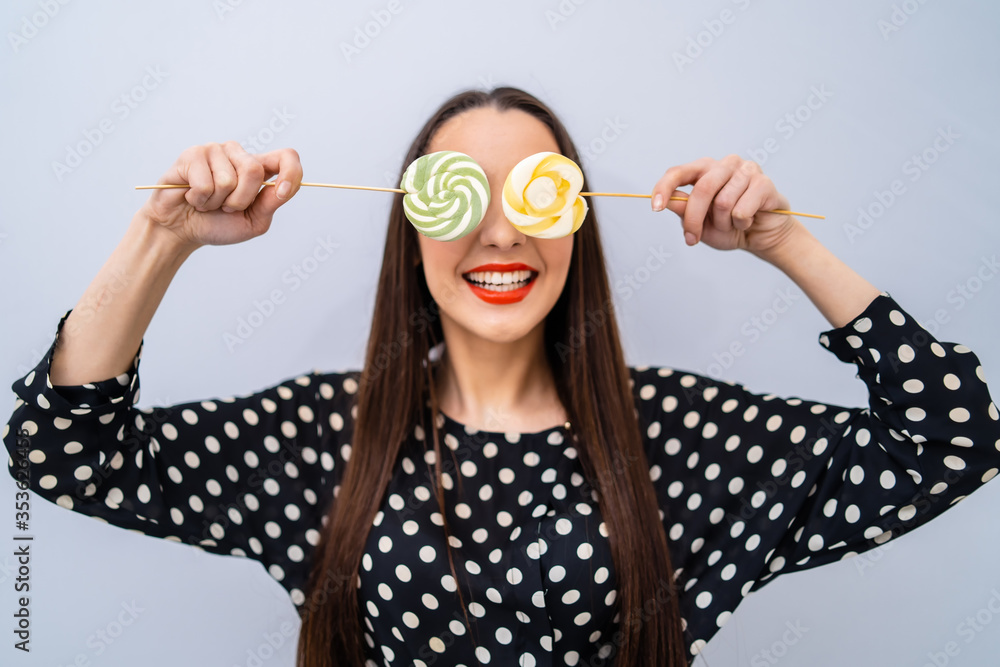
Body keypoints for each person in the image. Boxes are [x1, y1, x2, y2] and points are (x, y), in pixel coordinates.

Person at [4, 86, 999, 667]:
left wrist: (785, 243)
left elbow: (955, 438)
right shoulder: (324, 436)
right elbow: (62, 450)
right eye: (458, 196)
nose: (501, 230)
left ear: (574, 215)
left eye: (534, 192)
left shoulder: (680, 436)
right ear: (412, 223)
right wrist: (164, 236)